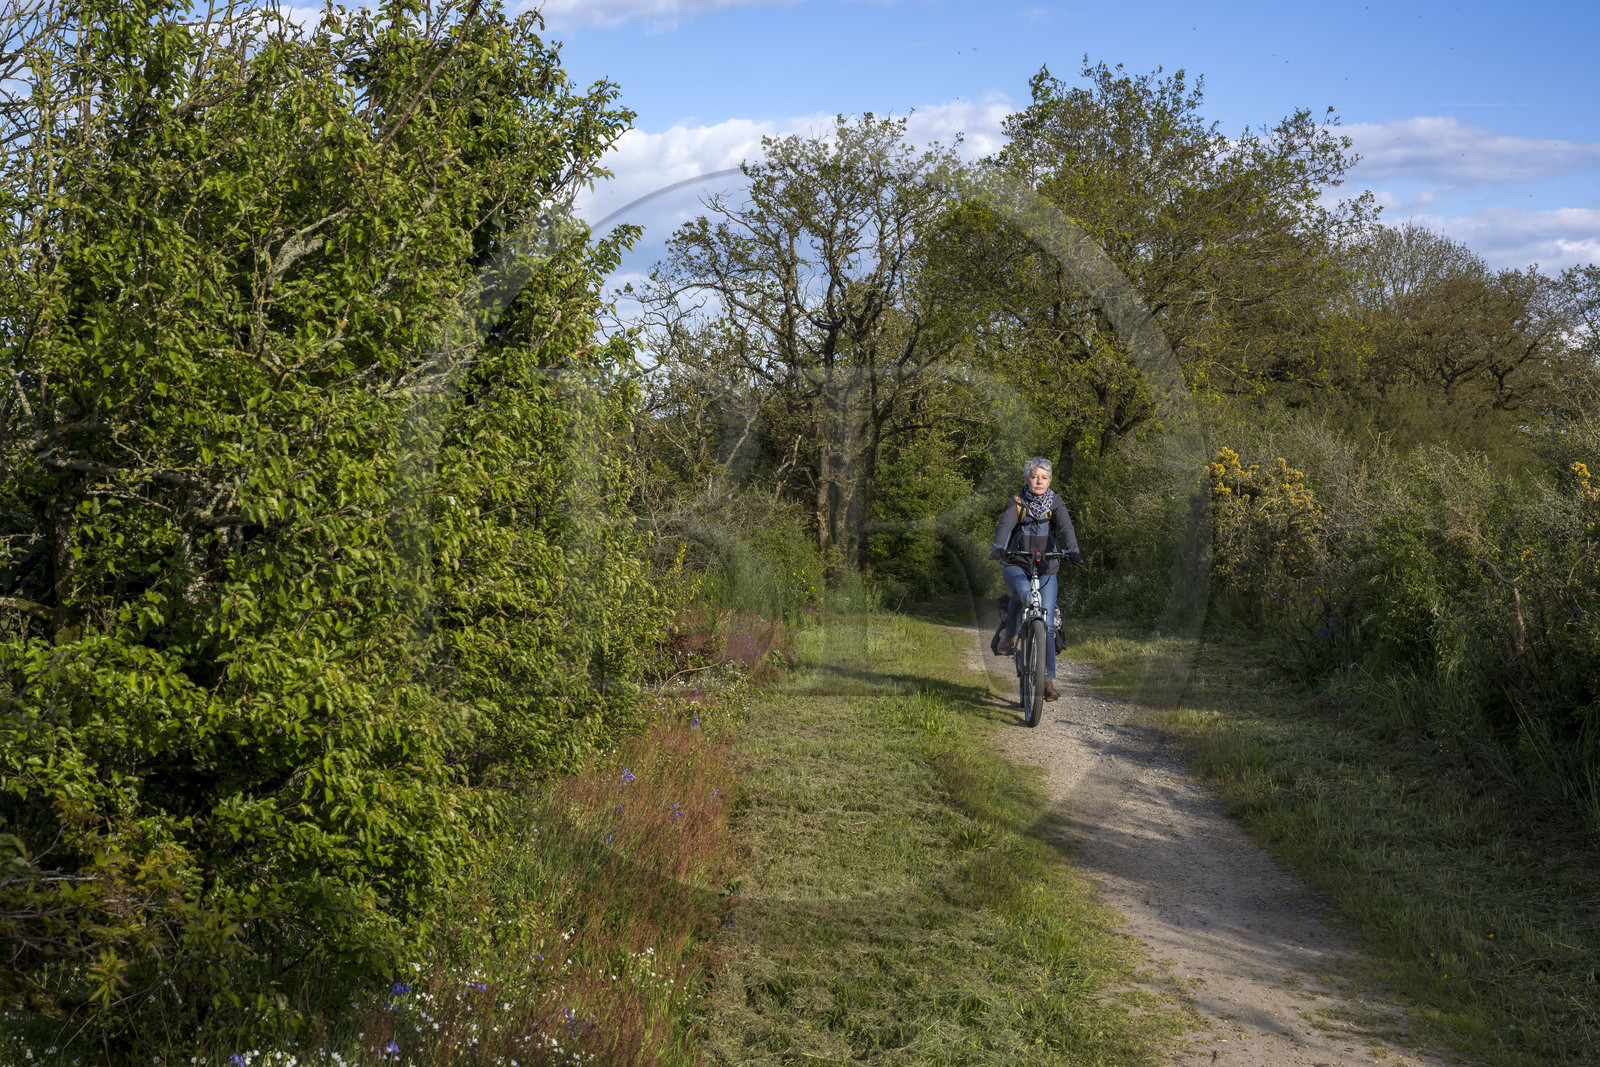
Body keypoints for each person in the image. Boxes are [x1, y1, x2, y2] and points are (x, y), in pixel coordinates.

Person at [989, 456, 1081, 701]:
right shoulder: (1016, 503)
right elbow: (1004, 527)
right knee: (1022, 593)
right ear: (1026, 479)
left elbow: (1066, 529)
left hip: (1047, 568)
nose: (1039, 481)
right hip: (1017, 564)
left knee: (1048, 625)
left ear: (1049, 480)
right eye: (1034, 476)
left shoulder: (1056, 504)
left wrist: (1073, 549)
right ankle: (1010, 633)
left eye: (1044, 477)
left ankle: (1047, 680)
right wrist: (999, 546)